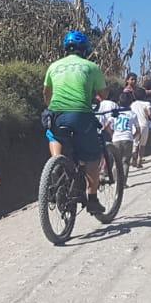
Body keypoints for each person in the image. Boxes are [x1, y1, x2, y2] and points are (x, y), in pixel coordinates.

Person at [43, 30, 107, 214]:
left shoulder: (53, 66)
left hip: (57, 114)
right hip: (81, 115)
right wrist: (94, 97)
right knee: (93, 156)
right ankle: (92, 198)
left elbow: (46, 94)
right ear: (85, 48)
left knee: (53, 133)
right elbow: (103, 95)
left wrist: (53, 107)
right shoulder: (91, 66)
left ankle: (56, 163)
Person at [99, 91, 137, 176]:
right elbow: (138, 130)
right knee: (126, 162)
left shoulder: (115, 114)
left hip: (116, 138)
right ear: (131, 103)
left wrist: (112, 134)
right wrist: (133, 137)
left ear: (119, 102)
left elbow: (106, 126)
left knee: (116, 161)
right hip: (128, 138)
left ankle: (116, 180)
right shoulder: (133, 114)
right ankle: (123, 183)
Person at [129, 86, 151, 169]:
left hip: (135, 126)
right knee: (142, 145)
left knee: (135, 143)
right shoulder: (147, 104)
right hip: (144, 125)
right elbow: (150, 114)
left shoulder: (132, 104)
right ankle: (139, 161)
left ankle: (133, 159)